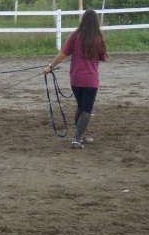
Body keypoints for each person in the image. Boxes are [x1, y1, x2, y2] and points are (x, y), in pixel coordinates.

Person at [42, 8, 108, 148]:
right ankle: (76, 139)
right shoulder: (98, 38)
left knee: (81, 106)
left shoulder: (74, 36)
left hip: (76, 80)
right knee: (86, 110)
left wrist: (50, 66)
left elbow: (62, 54)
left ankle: (81, 136)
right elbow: (103, 57)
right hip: (90, 80)